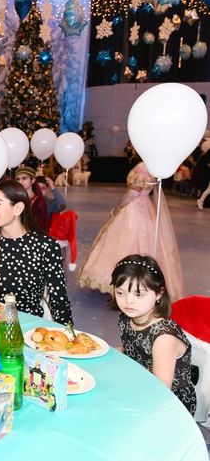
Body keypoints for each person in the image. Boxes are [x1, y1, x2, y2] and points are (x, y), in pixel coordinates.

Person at [0, 180, 73, 324]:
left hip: (28, 328)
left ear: (18, 208)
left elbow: (59, 300)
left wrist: (67, 334)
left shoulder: (45, 246)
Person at [78, 162, 186, 300]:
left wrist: (118, 208)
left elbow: (133, 193)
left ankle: (121, 280)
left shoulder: (144, 167)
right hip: (146, 207)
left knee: (124, 241)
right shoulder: (154, 167)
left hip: (134, 209)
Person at [111, 255, 196, 414]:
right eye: (120, 293)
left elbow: (160, 389)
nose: (128, 301)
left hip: (170, 403)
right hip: (138, 383)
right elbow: (132, 350)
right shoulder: (127, 318)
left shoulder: (163, 337)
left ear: (159, 293)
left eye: (138, 294)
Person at [15, 166, 49, 233]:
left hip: (33, 235)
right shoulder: (14, 198)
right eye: (18, 179)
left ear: (32, 180)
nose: (20, 182)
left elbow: (42, 226)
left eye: (24, 178)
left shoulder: (39, 202)